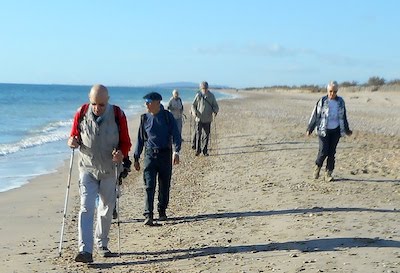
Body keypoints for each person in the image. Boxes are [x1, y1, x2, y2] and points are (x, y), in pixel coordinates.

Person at [67, 84, 131, 263]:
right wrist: (71, 141)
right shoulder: (81, 112)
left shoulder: (118, 114)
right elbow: (73, 136)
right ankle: (85, 250)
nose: (97, 108)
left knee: (106, 209)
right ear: (90, 99)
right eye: (94, 103)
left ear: (108, 100)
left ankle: (101, 243)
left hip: (110, 170)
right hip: (87, 168)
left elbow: (126, 142)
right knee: (86, 207)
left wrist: (121, 153)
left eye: (101, 105)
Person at [133, 92, 182, 226]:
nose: (146, 104)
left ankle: (162, 211)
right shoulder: (144, 118)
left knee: (164, 184)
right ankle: (148, 214)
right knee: (149, 185)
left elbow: (176, 135)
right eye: (146, 102)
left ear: (157, 102)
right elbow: (140, 139)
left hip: (165, 154)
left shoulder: (167, 116)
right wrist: (136, 157)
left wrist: (176, 151)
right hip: (149, 155)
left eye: (148, 101)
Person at [306, 81, 352, 181]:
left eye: (335, 91)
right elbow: (315, 115)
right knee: (323, 151)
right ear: (327, 91)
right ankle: (317, 168)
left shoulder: (340, 102)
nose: (332, 94)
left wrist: (347, 129)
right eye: (330, 91)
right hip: (323, 130)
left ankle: (328, 174)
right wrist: (310, 128)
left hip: (336, 130)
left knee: (332, 153)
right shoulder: (322, 101)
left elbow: (343, 116)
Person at [191, 81, 219, 156]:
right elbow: (193, 105)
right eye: (203, 88)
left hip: (208, 119)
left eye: (205, 88)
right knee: (198, 135)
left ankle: (205, 151)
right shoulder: (198, 95)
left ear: (207, 88)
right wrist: (194, 112)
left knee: (206, 135)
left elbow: (216, 106)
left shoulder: (211, 96)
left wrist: (215, 112)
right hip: (199, 118)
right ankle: (197, 150)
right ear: (200, 88)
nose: (204, 89)